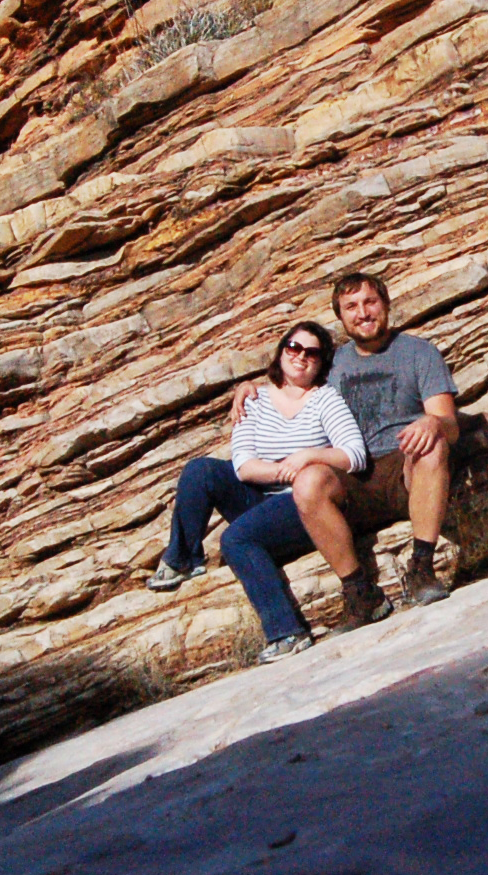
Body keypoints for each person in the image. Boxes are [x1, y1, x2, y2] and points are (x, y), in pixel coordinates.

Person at [148, 321, 366, 662]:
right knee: (200, 471)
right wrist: (285, 468)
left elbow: (354, 455)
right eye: (294, 347)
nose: (301, 357)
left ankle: (288, 633)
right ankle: (182, 559)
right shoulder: (254, 399)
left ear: (322, 363)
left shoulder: (326, 399)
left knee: (235, 539)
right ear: (281, 351)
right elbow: (243, 465)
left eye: (312, 353)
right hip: (261, 493)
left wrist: (307, 457)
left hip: (306, 504)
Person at [293, 271, 459, 623]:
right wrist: (247, 389)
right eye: (351, 306)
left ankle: (421, 568)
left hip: (404, 470)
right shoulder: (332, 364)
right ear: (340, 317)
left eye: (370, 302)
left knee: (432, 445)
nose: (363, 312)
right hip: (354, 476)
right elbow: (285, 383)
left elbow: (450, 426)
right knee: (307, 482)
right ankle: (360, 593)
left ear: (385, 305)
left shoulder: (419, 352)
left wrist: (433, 422)